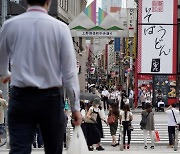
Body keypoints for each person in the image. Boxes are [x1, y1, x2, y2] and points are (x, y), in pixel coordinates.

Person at [0, 0, 82, 153]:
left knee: (19, 148)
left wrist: (5, 74)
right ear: (49, 1)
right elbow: (69, 73)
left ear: (26, 1)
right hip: (51, 98)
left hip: (21, 96)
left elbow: (2, 59)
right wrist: (75, 107)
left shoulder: (10, 25)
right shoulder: (60, 28)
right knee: (53, 149)